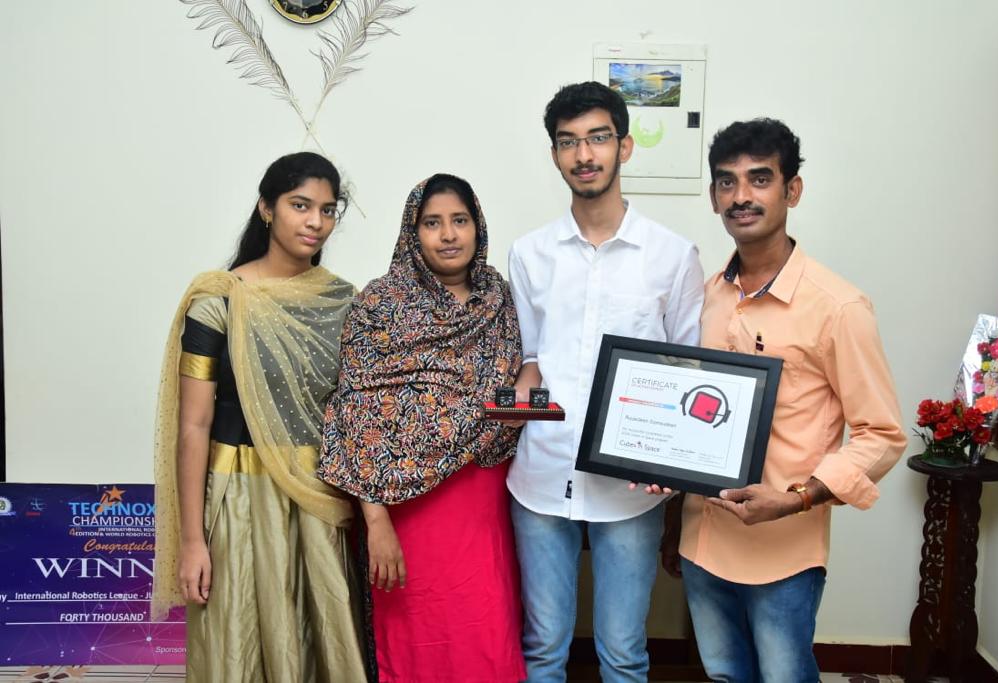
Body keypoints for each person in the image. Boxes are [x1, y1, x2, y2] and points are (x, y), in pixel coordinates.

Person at [664, 118, 907, 682]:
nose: (741, 196)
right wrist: (674, 517)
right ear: (713, 196)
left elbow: (882, 434)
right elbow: (689, 411)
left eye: (759, 179)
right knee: (725, 676)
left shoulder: (838, 307)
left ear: (791, 190)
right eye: (727, 182)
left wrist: (797, 498)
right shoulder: (705, 297)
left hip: (784, 548)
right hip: (704, 538)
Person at [507, 81, 705, 682]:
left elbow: (689, 373)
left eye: (597, 139)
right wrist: (524, 387)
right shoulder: (529, 254)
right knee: (543, 647)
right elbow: (529, 359)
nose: (583, 155)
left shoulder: (672, 255)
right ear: (555, 155)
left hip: (630, 487)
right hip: (542, 476)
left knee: (623, 653)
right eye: (568, 142)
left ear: (624, 147)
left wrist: (667, 465)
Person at [152, 152, 369, 682]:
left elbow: (358, 418)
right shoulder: (219, 301)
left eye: (327, 209)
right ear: (266, 208)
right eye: (300, 205)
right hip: (238, 501)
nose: (315, 221)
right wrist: (191, 540)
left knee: (324, 645)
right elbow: (193, 427)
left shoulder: (345, 302)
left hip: (320, 498)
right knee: (237, 644)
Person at [318, 173, 527, 683]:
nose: (448, 234)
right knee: (414, 637)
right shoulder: (380, 304)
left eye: (460, 220)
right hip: (402, 510)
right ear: (413, 232)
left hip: (482, 497)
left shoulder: (500, 299)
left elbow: (511, 388)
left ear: (478, 227)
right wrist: (377, 522)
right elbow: (354, 415)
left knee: (486, 632)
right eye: (432, 223)